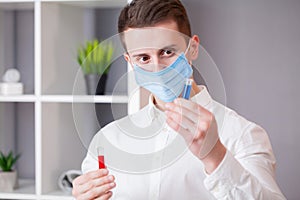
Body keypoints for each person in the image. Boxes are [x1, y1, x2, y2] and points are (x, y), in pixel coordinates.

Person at [72, 0, 285, 199]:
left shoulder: (242, 135)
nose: (157, 67)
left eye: (167, 52)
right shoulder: (107, 141)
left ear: (192, 48)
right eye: (143, 58)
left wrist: (215, 156)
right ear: (130, 61)